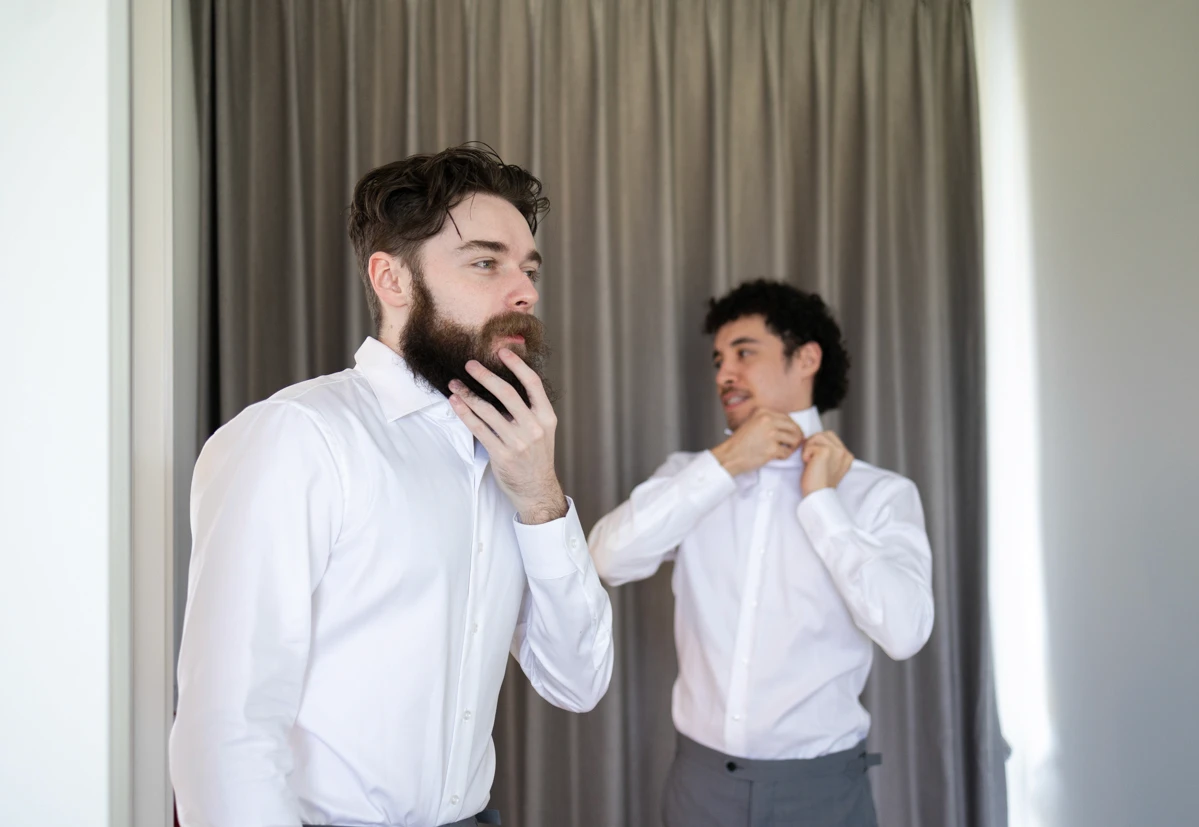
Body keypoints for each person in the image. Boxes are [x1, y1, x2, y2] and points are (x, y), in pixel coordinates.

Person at [170, 145, 614, 827]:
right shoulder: (297, 436)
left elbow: (578, 682)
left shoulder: (512, 461)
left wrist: (540, 498)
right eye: (486, 262)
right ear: (392, 279)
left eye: (529, 268)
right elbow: (227, 726)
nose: (523, 290)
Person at [589, 279, 934, 827]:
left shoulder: (879, 495)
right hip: (699, 788)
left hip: (822, 792)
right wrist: (723, 464)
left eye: (745, 352)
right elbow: (605, 559)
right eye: (719, 359)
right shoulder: (689, 478)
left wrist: (822, 504)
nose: (725, 372)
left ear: (807, 359)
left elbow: (906, 630)